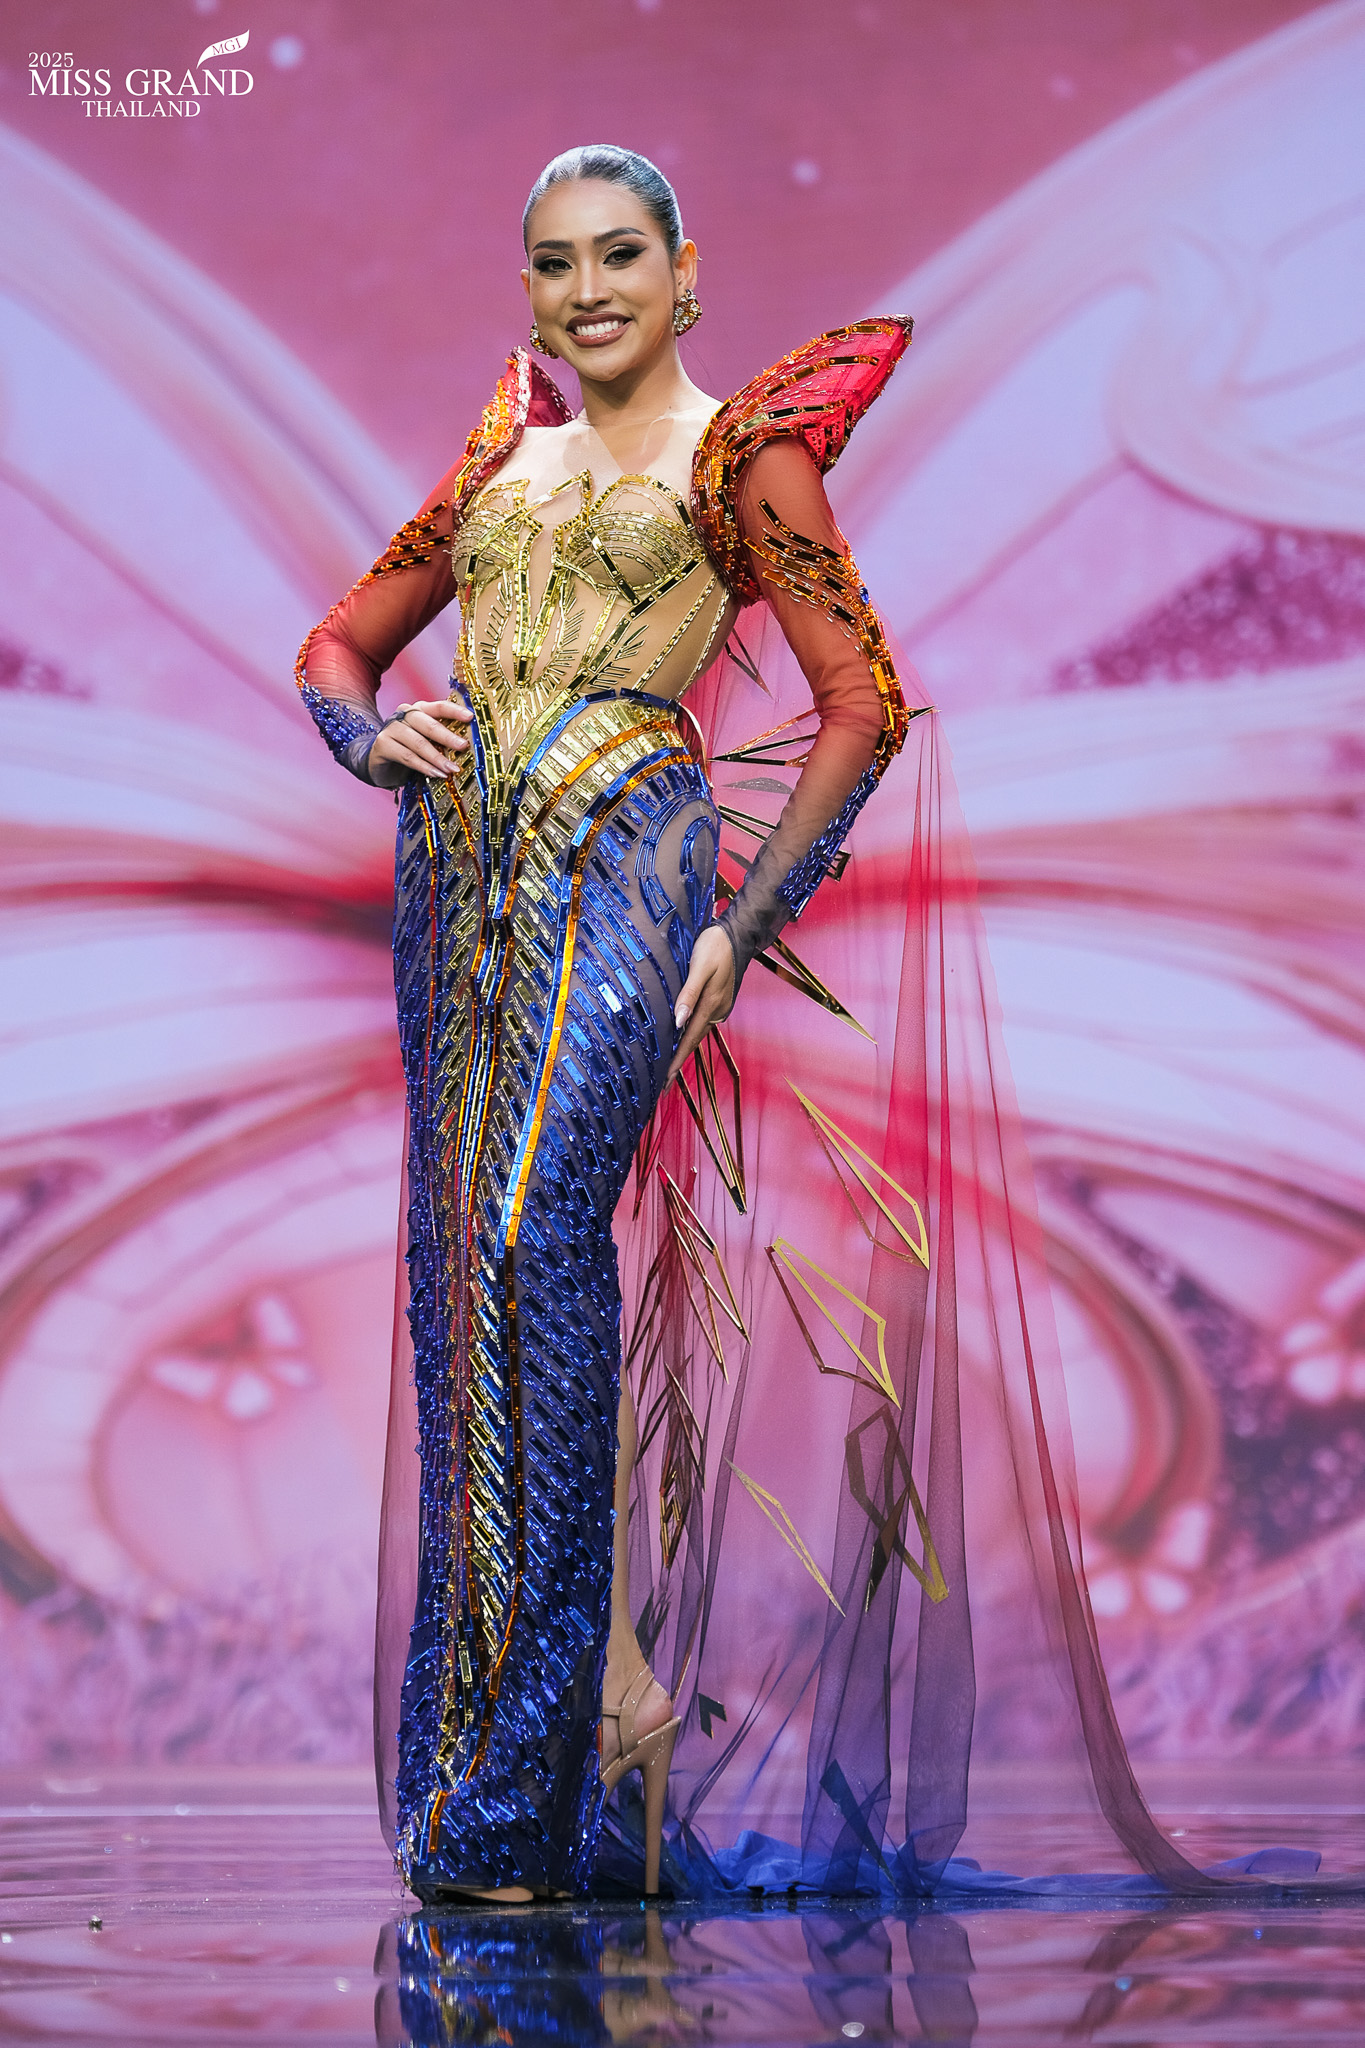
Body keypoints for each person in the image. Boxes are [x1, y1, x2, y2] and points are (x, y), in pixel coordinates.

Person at [300, 145, 1241, 1909]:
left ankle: (559, 1736)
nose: (588, 290)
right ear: (528, 287)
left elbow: (859, 704)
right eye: (555, 262)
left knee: (536, 1236)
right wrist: (369, 738)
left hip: (624, 856)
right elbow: (337, 646)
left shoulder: (745, 458)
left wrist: (740, 926)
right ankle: (601, 1702)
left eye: (620, 256)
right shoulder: (503, 450)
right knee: (466, 1280)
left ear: (685, 271)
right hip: (459, 883)